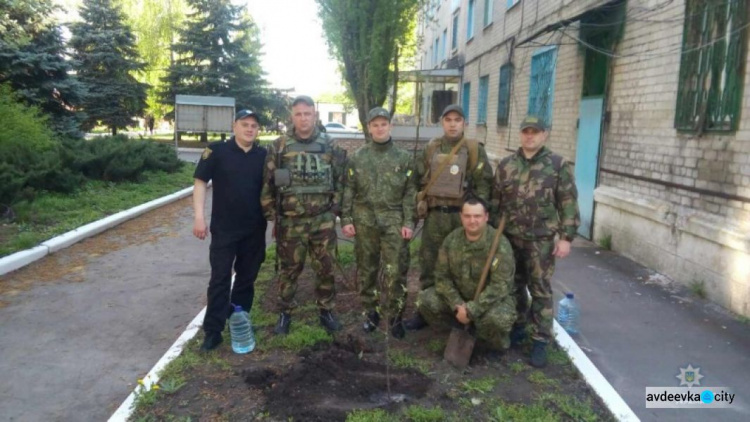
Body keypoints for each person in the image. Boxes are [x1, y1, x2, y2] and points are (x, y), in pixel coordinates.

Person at [491, 115, 580, 367]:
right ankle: (518, 327)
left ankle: (541, 339)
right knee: (513, 285)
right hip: (509, 238)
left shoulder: (557, 165)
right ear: (520, 135)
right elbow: (495, 202)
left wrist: (566, 238)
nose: (530, 136)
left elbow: (568, 203)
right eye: (525, 131)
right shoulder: (506, 165)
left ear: (544, 135)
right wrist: (492, 236)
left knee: (540, 289)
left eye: (535, 132)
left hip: (541, 240)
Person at [260, 95, 347, 335]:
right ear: (292, 116)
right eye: (298, 114)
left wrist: (334, 211)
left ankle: (326, 310)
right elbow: (267, 183)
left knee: (325, 268)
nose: (303, 118)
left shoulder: (330, 145)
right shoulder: (279, 146)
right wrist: (271, 213)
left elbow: (341, 181)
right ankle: (285, 313)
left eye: (307, 113)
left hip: (322, 221)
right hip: (291, 222)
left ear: (315, 115)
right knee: (289, 269)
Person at [404, 104, 494, 330]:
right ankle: (425, 310)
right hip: (435, 217)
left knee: (465, 265)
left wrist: (477, 216)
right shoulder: (432, 148)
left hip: (462, 219)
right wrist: (417, 204)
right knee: (429, 264)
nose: (452, 124)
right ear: (442, 123)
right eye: (448, 119)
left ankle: (465, 311)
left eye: (457, 119)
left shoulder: (474, 149)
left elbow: (484, 186)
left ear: (464, 123)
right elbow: (416, 179)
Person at [192, 109, 267, 352]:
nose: (249, 129)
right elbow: (200, 183)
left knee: (246, 279)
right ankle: (213, 332)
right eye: (244, 124)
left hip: (255, 229)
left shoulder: (264, 156)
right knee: (220, 279)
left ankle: (239, 320)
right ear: (234, 126)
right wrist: (199, 217)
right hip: (224, 230)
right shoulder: (217, 151)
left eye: (254, 126)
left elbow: (273, 192)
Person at [341, 107, 416, 339]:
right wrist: (346, 218)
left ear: (390, 126)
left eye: (384, 124)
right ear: (369, 127)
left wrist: (409, 221)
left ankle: (395, 317)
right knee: (367, 270)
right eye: (375, 124)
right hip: (365, 221)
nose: (380, 128)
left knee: (397, 270)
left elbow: (410, 192)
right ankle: (370, 313)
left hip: (394, 220)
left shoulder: (404, 158)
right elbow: (349, 189)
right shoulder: (358, 157)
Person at [416, 197, 516, 354]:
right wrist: (458, 306)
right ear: (461, 217)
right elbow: (442, 278)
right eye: (468, 216)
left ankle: (489, 344)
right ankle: (457, 331)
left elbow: (500, 286)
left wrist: (472, 309)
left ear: (486, 217)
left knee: (498, 319)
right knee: (426, 300)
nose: (472, 221)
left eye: (477, 216)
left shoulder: (500, 244)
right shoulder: (451, 240)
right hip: (460, 301)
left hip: (489, 302)